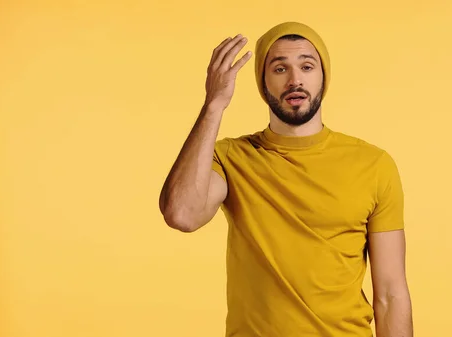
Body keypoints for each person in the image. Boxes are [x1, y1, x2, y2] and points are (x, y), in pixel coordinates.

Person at [159, 21, 413, 337]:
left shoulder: (374, 165)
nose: (295, 80)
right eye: (280, 69)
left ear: (323, 77)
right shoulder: (231, 157)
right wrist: (214, 105)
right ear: (263, 83)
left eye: (307, 66)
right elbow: (182, 214)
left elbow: (390, 293)